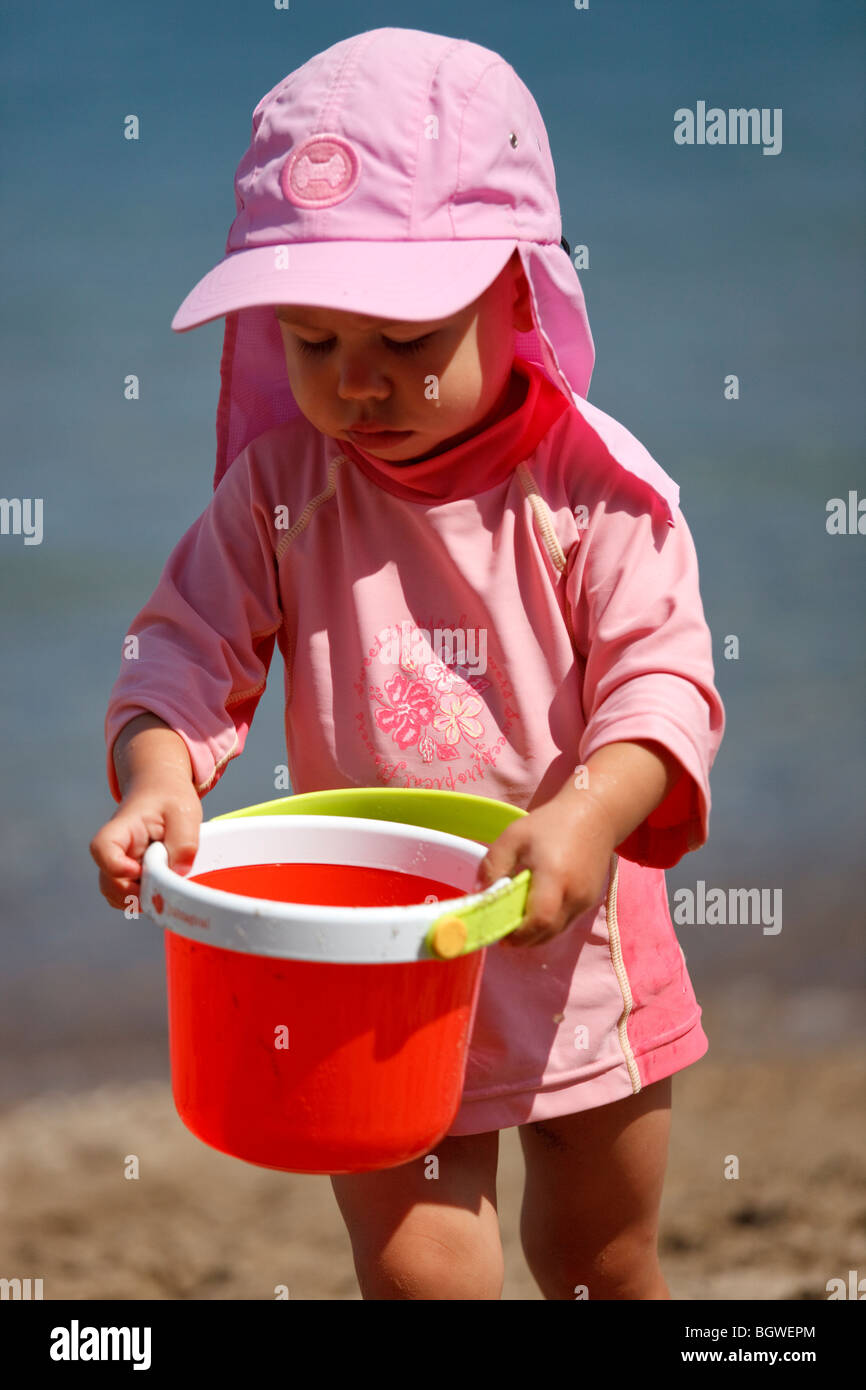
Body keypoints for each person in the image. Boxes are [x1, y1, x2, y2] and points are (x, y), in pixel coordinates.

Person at [90, 27, 725, 1300]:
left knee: (598, 1257)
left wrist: (590, 814)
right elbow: (181, 647)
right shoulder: (283, 490)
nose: (357, 383)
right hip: (375, 958)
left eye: (403, 337)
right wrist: (158, 773)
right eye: (312, 345)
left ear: (515, 291)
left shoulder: (589, 490)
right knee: (419, 1272)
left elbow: (663, 683)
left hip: (572, 941)